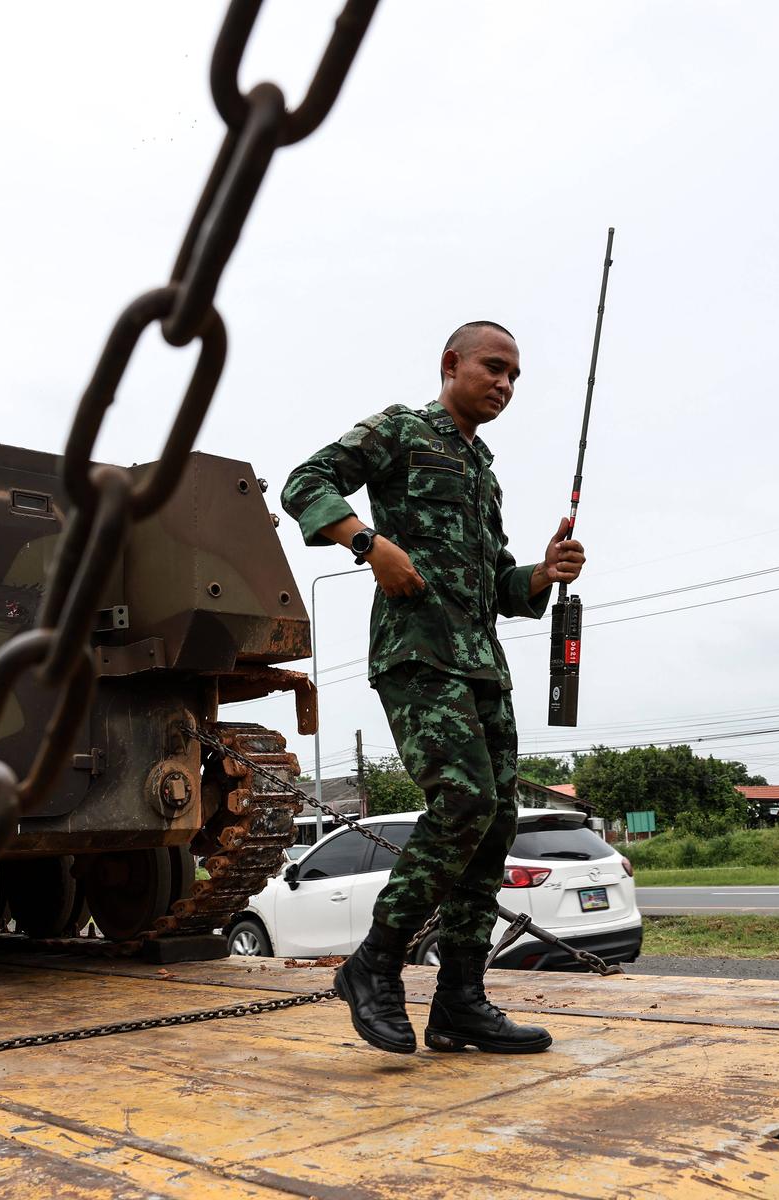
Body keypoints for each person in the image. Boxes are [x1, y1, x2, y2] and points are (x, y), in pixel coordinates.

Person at [282, 321, 586, 1054]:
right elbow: (304, 483)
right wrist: (370, 545)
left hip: (481, 664)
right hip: (418, 653)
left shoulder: (483, 470)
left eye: (514, 377)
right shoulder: (401, 430)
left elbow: (497, 584)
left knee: (494, 823)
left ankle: (460, 1000)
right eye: (494, 368)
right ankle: (374, 963)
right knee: (463, 803)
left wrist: (541, 574)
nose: (505, 385)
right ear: (452, 364)